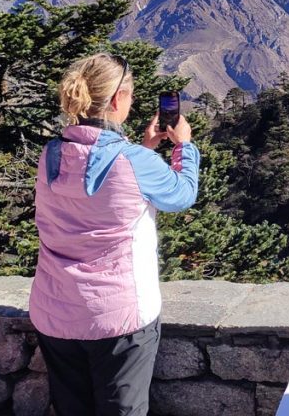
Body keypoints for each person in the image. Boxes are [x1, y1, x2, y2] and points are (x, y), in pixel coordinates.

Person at [29, 52, 201, 416]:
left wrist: (144, 149)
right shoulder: (134, 162)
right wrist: (183, 146)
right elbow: (182, 195)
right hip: (118, 317)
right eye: (132, 95)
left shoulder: (50, 155)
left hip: (55, 310)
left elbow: (95, 184)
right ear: (118, 99)